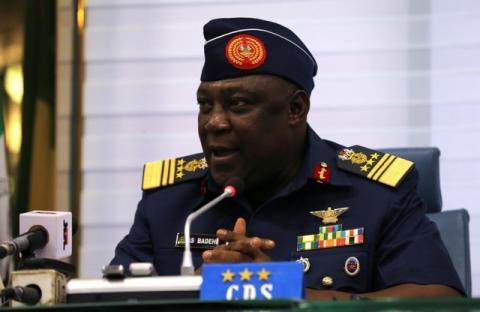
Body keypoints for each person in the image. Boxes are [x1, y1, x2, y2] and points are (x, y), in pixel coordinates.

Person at [111, 17, 464, 299]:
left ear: (296, 109)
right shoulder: (169, 202)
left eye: (238, 105)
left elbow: (440, 301)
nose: (214, 122)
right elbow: (108, 299)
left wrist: (280, 290)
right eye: (205, 105)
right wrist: (192, 295)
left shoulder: (375, 194)